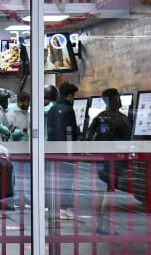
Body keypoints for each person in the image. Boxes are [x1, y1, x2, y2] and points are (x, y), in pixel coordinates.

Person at [86, 88, 132, 234]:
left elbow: (88, 134)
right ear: (111, 100)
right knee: (110, 191)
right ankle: (105, 225)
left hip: (102, 157)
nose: (119, 101)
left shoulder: (100, 116)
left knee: (104, 189)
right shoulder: (119, 118)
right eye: (117, 98)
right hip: (115, 158)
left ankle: (100, 223)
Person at [48, 82, 79, 221]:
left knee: (56, 180)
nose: (74, 98)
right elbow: (69, 133)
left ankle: (54, 207)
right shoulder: (68, 110)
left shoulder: (53, 109)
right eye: (74, 96)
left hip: (54, 150)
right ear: (69, 95)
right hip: (66, 151)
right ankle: (64, 208)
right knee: (67, 180)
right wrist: (71, 151)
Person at [7, 91, 30, 209]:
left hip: (26, 148)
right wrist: (23, 131)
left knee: (26, 176)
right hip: (16, 149)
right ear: (20, 102)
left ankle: (26, 199)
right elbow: (8, 133)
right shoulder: (12, 114)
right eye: (26, 102)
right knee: (17, 175)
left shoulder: (28, 113)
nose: (28, 104)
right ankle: (17, 199)